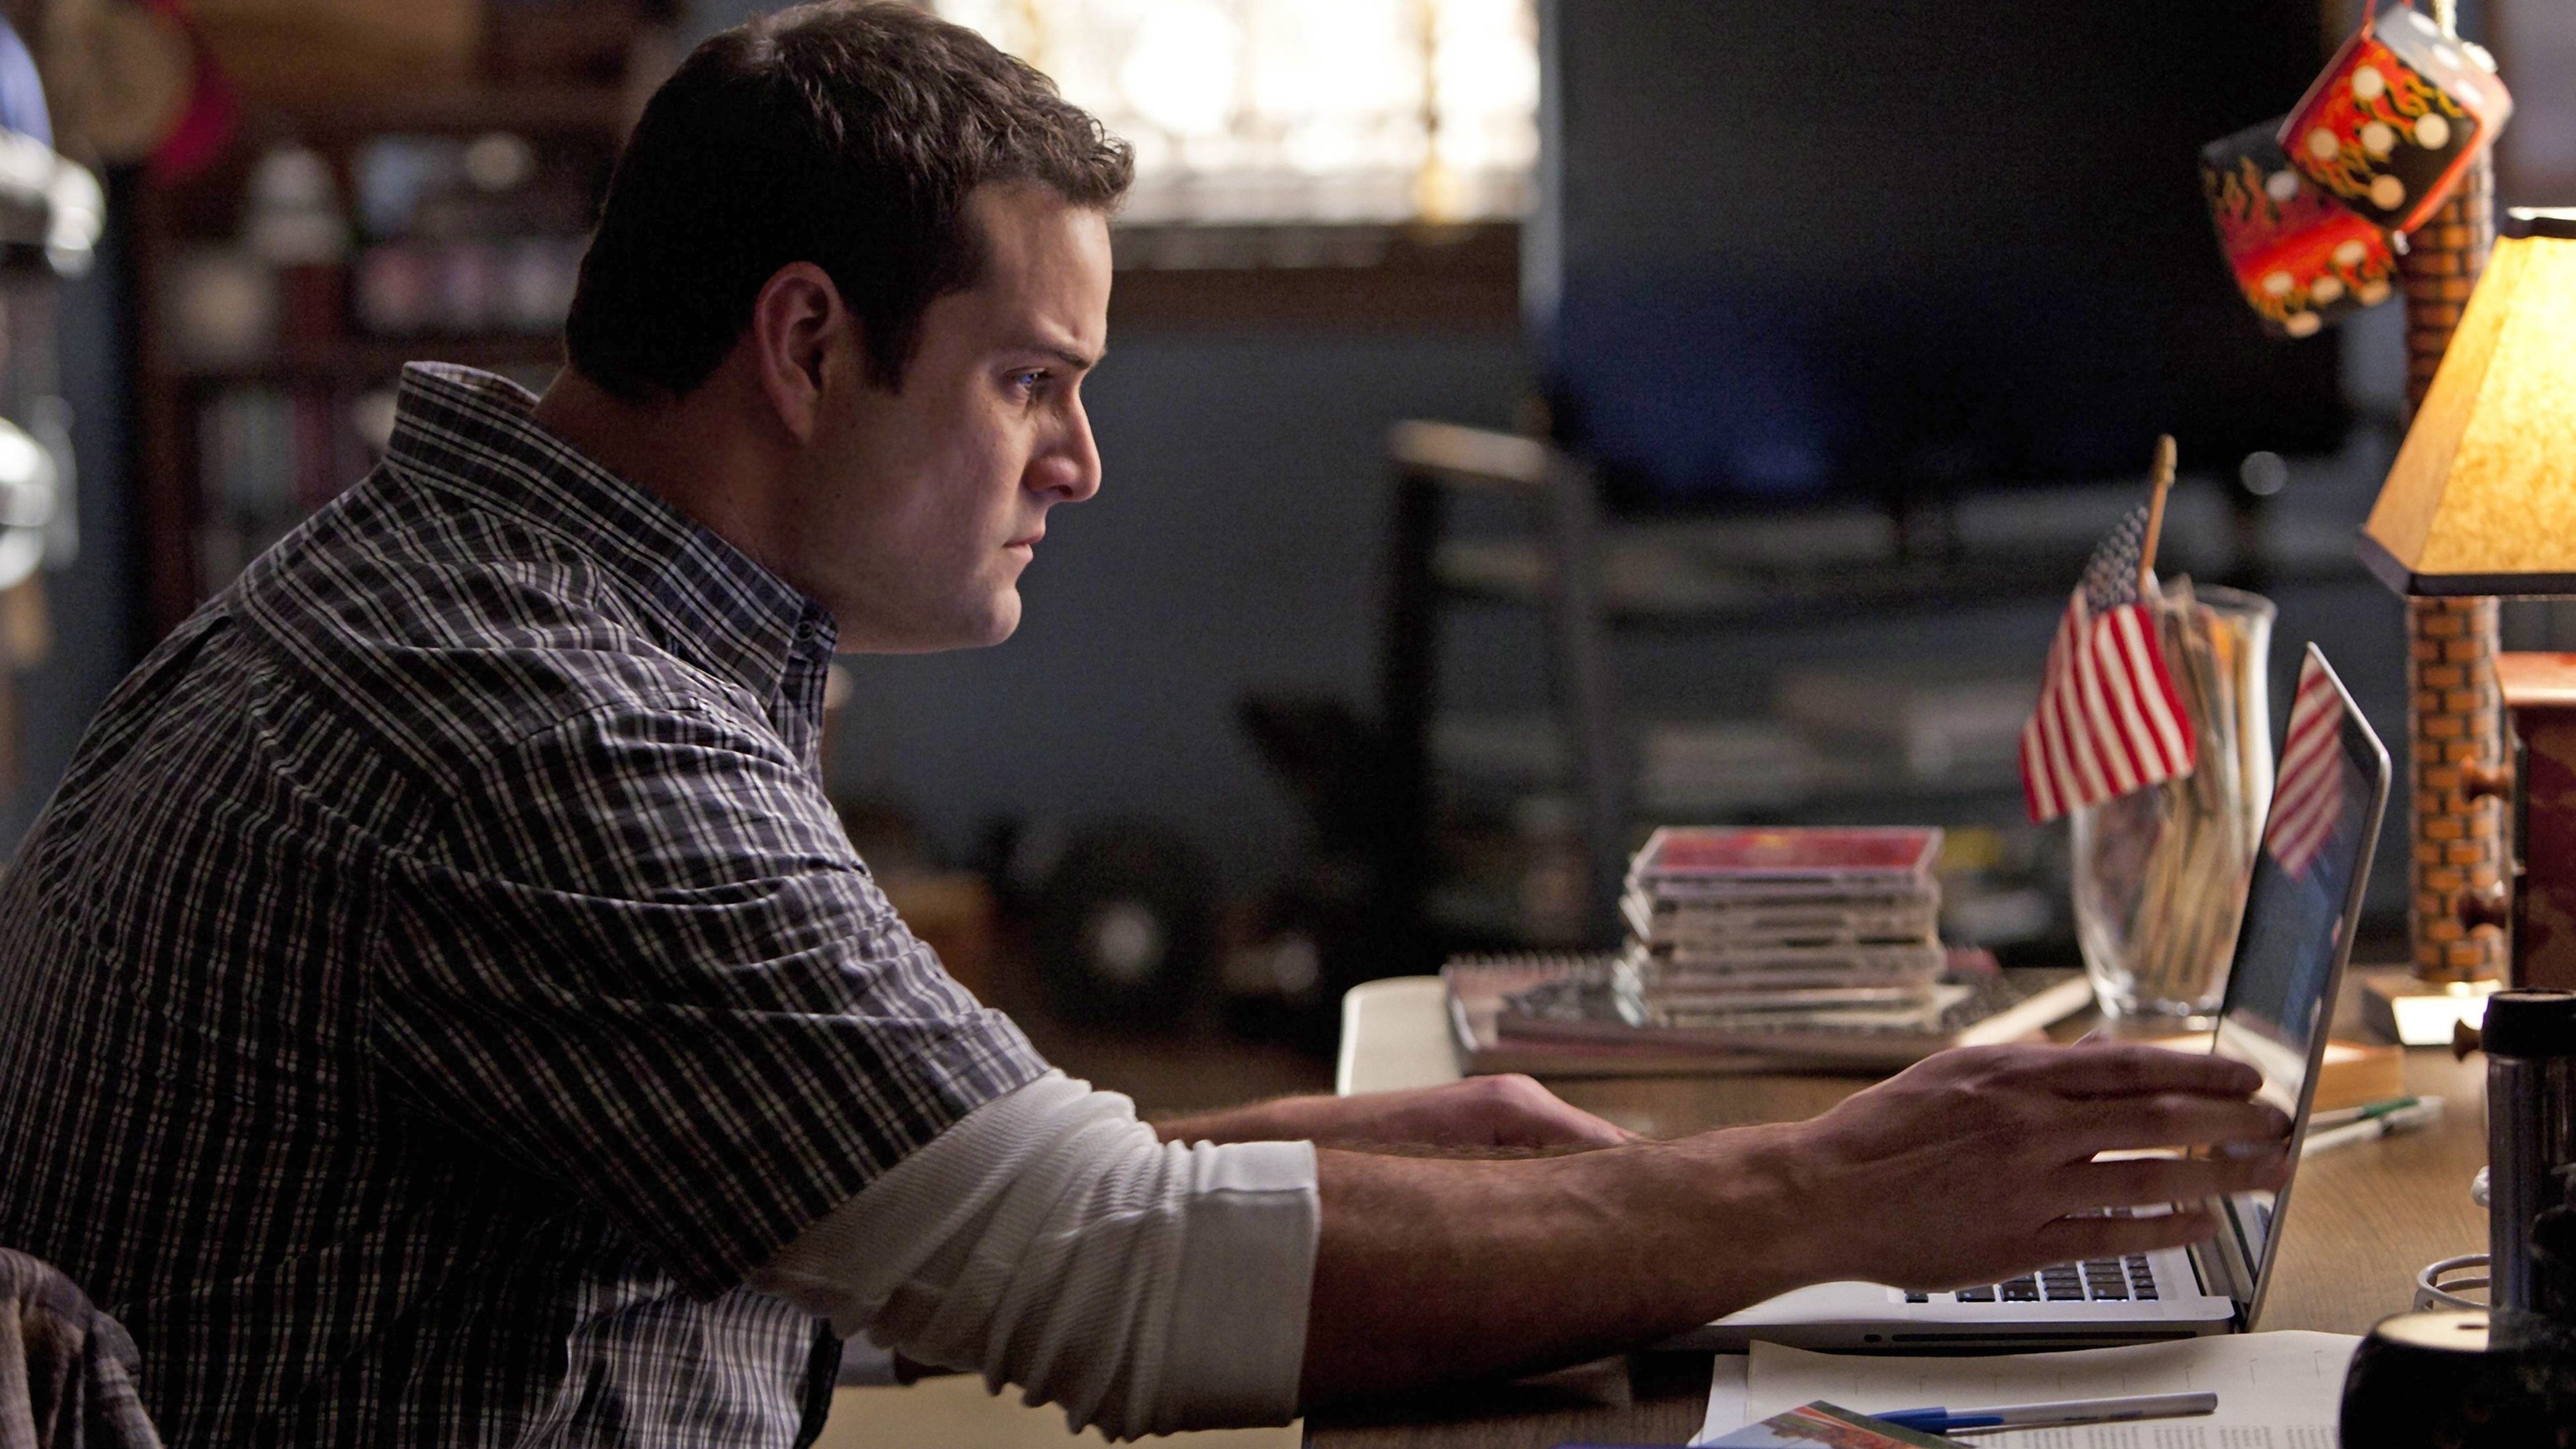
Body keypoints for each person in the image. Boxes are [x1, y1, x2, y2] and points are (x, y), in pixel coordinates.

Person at [0, 4, 2293, 1445]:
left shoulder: (479, 598)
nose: (1081, 465)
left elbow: (911, 1197)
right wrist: (1833, 1191)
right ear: (806, 346)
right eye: (1032, 382)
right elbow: (1111, 1289)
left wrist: (1365, 1159)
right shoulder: (534, 725)